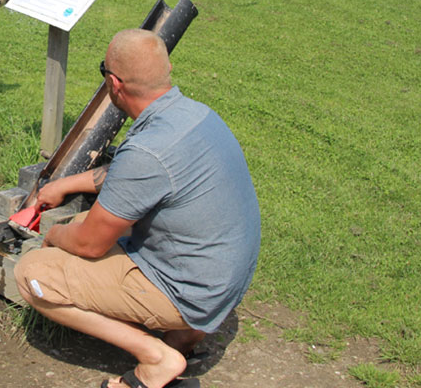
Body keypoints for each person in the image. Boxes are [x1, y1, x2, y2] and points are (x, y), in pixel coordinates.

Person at [14, 29, 261, 388]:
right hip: (224, 277)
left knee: (34, 272)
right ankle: (186, 335)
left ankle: (156, 357)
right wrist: (64, 185)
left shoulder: (147, 151)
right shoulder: (196, 116)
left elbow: (89, 244)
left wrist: (53, 234)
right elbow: (134, 176)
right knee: (91, 221)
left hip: (192, 291)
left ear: (114, 83)